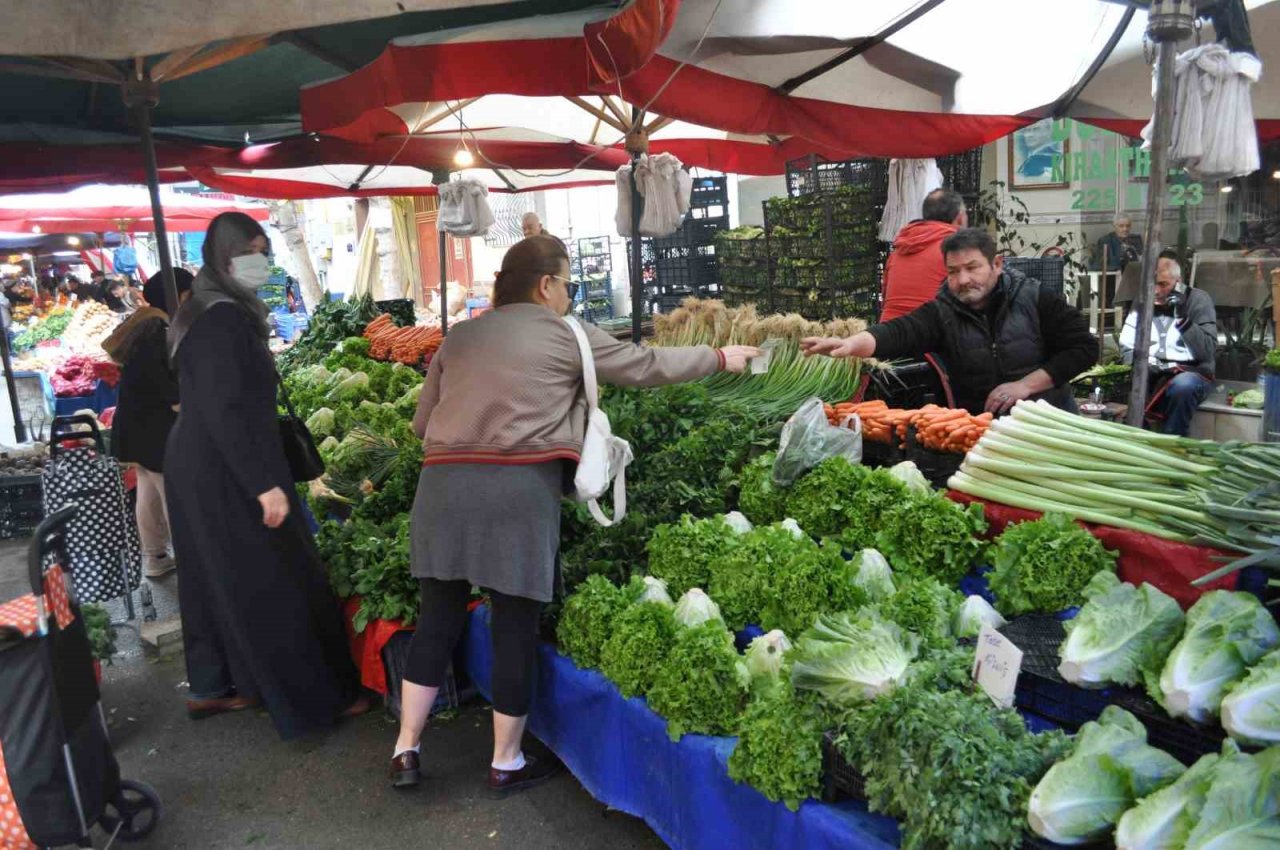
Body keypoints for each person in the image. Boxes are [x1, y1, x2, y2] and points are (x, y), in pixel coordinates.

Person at [389, 235, 759, 794]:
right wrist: (720, 358)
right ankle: (505, 761)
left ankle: (406, 749)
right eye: (567, 284)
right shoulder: (567, 332)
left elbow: (422, 425)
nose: (569, 295)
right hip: (517, 489)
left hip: (441, 487)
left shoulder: (459, 336)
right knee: (514, 621)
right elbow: (643, 364)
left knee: (438, 613)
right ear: (546, 285)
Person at [165, 212, 368, 737]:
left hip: (205, 461)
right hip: (227, 468)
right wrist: (264, 485)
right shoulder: (220, 319)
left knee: (219, 578)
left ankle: (221, 684)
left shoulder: (206, 308)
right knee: (275, 582)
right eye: (256, 251)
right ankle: (311, 702)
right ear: (229, 257)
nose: (265, 262)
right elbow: (226, 409)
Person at [802, 228, 1098, 415]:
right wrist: (851, 343)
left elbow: (1084, 348)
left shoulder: (1035, 298)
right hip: (984, 432)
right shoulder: (942, 312)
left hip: (1051, 422)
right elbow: (900, 331)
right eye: (953, 271)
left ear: (997, 264)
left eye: (972, 267)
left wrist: (1025, 385)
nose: (963, 280)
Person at [102, 269, 194, 579]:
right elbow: (169, 391)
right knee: (173, 496)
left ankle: (155, 558)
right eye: (188, 294)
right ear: (177, 296)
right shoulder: (158, 331)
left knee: (148, 493)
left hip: (137, 426)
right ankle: (190, 562)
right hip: (155, 431)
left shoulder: (143, 324)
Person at [1120, 257, 1216, 436]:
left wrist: (1183, 320)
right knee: (1135, 381)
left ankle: (1172, 440)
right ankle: (1141, 438)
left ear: (1178, 283)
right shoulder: (1141, 302)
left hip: (1191, 373)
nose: (1156, 291)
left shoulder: (1198, 300)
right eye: (1152, 284)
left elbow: (1207, 351)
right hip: (1153, 372)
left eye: (1163, 284)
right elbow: (1126, 344)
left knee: (1184, 386)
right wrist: (1139, 364)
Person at [880, 188, 968, 321]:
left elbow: (885, 296)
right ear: (960, 218)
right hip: (932, 333)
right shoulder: (958, 247)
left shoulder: (899, 250)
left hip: (888, 333)